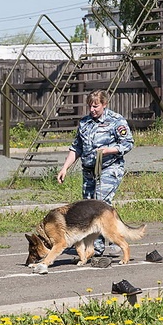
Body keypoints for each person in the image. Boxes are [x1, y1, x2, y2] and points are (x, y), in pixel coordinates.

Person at [57, 89, 134, 257]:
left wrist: (109, 150)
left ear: (104, 104)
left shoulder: (115, 121)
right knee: (87, 207)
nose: (92, 110)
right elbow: (76, 147)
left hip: (109, 168)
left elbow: (128, 143)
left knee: (100, 204)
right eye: (90, 106)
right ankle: (94, 245)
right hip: (89, 171)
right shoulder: (84, 123)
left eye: (96, 106)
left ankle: (103, 245)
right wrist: (65, 168)